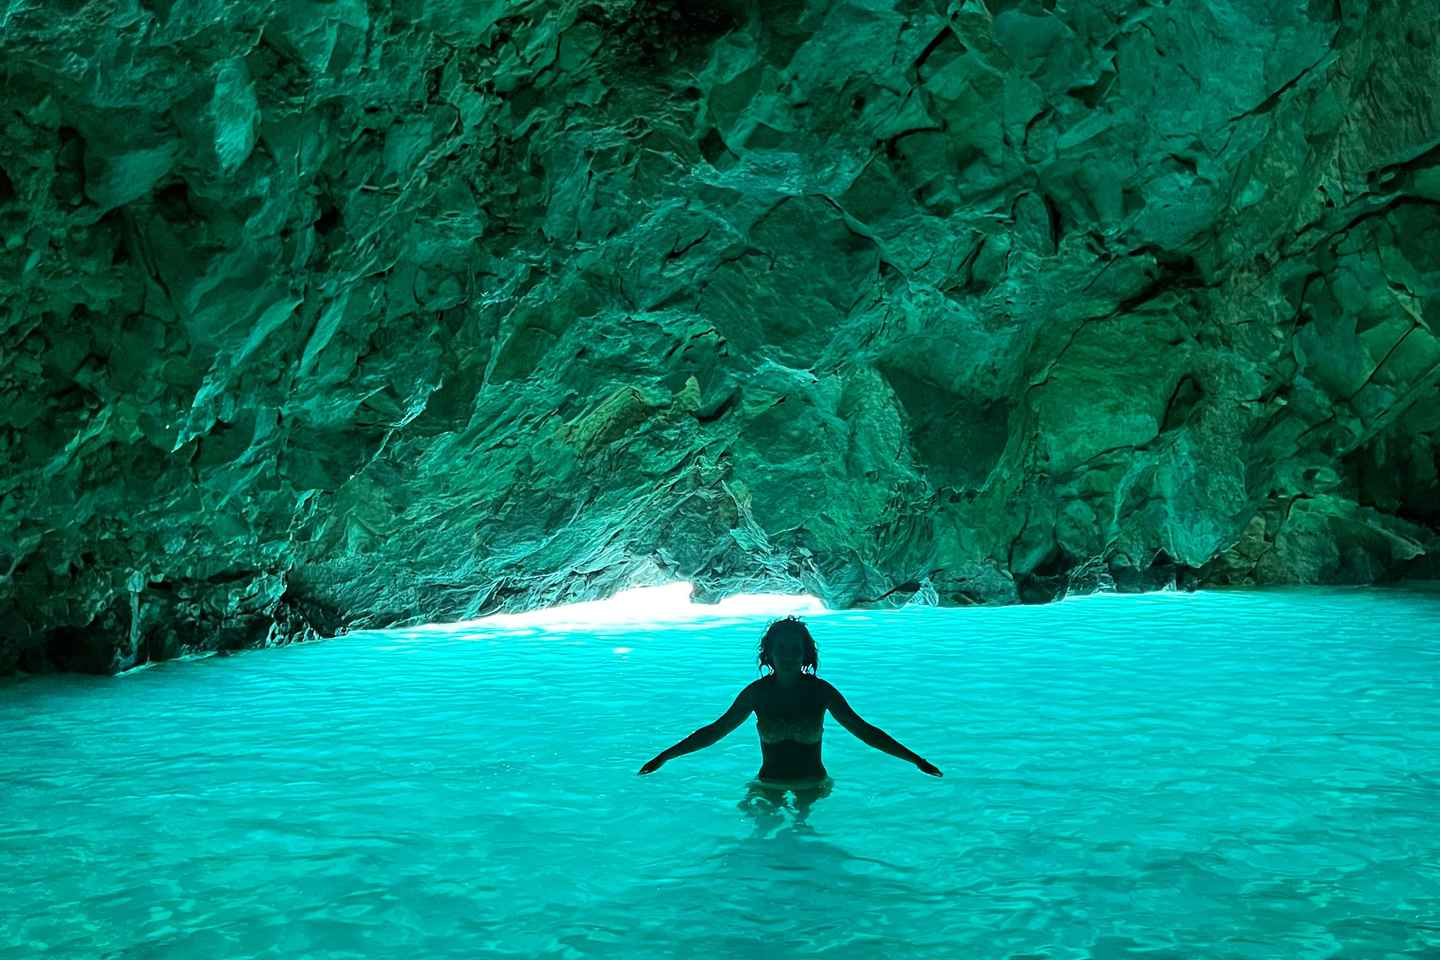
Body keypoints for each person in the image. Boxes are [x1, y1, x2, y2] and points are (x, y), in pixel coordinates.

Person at [637, 616, 942, 807]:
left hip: (814, 786)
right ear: (769, 654)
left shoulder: (821, 692)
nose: (788, 655)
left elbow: (865, 731)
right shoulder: (757, 694)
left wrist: (916, 760)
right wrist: (664, 757)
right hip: (767, 785)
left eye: (795, 648)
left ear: (805, 654)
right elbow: (714, 732)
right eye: (781, 648)